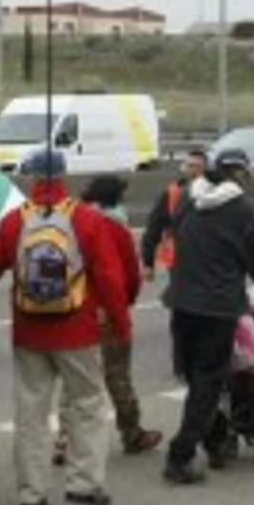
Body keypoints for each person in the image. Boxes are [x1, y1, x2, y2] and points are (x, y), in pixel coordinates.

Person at [0, 149, 130, 505]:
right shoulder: (86, 220)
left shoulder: (14, 221)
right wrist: (120, 323)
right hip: (78, 330)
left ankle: (31, 492)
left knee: (31, 410)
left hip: (29, 331)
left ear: (31, 177)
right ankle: (84, 484)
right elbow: (110, 279)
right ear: (66, 176)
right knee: (88, 405)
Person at [162, 147, 254, 486]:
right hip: (217, 309)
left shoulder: (189, 198)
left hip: (182, 301)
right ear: (242, 177)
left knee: (194, 378)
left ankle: (216, 438)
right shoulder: (245, 212)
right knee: (207, 381)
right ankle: (181, 454)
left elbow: (173, 231)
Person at [77, 175, 163, 456]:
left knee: (76, 382)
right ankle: (132, 433)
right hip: (106, 314)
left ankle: (65, 440)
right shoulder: (115, 229)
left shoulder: (72, 222)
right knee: (117, 377)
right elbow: (127, 278)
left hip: (74, 312)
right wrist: (122, 310)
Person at [139, 149, 207, 283]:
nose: (193, 170)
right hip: (178, 258)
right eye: (189, 165)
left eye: (197, 167)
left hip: (208, 258)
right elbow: (154, 227)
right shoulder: (172, 193)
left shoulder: (218, 192)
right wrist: (148, 263)